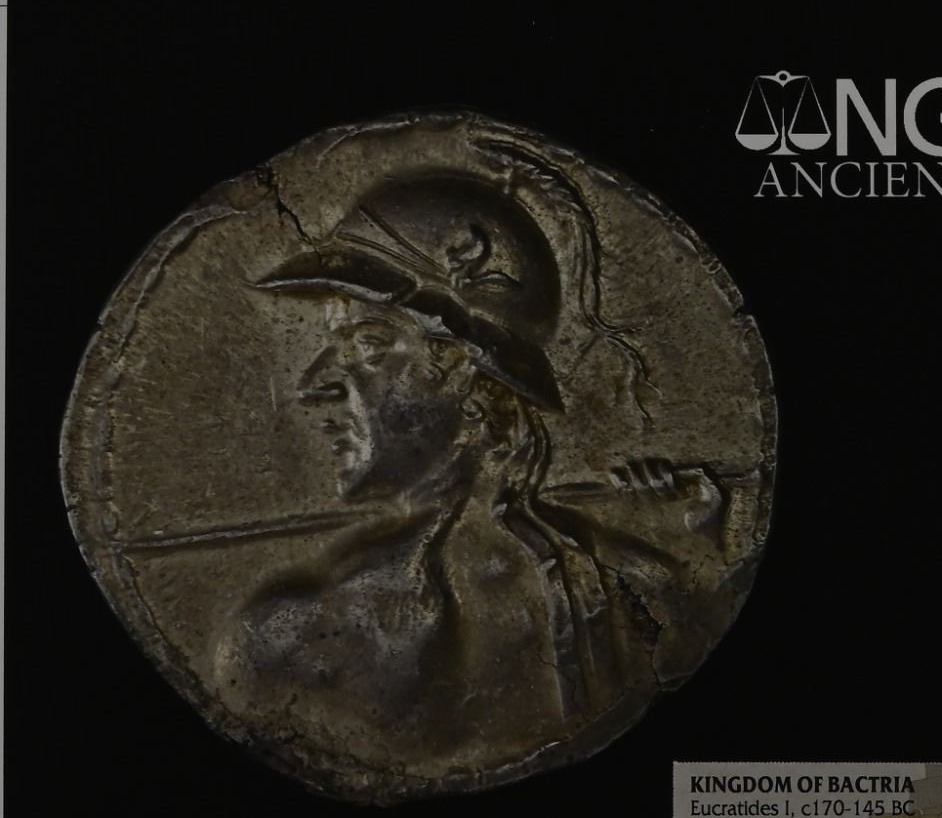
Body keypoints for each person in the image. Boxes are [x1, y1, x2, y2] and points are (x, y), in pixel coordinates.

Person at [213, 170, 724, 772]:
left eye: (368, 344)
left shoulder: (638, 588)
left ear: (468, 375)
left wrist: (697, 559)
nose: (313, 384)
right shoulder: (291, 633)